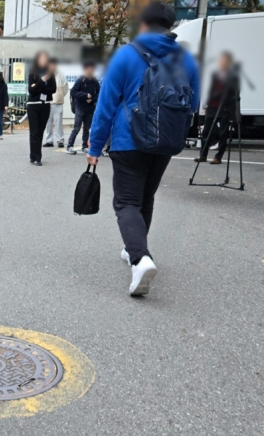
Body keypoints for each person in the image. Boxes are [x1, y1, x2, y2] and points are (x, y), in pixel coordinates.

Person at [87, 2, 199, 295]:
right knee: (145, 197)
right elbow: (194, 105)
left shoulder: (126, 55)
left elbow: (106, 105)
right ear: (171, 27)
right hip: (166, 141)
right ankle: (134, 248)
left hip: (129, 140)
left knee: (126, 202)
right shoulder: (187, 59)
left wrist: (95, 146)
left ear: (143, 25)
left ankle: (140, 258)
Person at [194, 51, 236, 165]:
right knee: (206, 132)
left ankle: (218, 157)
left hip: (224, 108)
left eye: (224, 61)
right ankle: (203, 155)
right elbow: (211, 90)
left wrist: (233, 112)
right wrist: (207, 104)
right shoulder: (215, 74)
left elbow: (235, 95)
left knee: (223, 134)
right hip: (213, 107)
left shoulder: (233, 76)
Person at [27, 51, 56, 166]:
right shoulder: (32, 73)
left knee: (40, 131)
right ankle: (36, 157)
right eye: (41, 58)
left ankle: (33, 155)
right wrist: (42, 81)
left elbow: (53, 89)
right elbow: (31, 91)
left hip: (45, 104)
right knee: (34, 132)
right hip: (33, 105)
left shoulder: (50, 74)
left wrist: (38, 86)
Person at [66, 61, 100, 155]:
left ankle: (85, 146)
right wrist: (85, 95)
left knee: (87, 128)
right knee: (76, 128)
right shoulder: (81, 80)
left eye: (93, 69)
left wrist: (92, 99)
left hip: (90, 108)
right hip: (80, 107)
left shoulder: (94, 81)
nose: (91, 70)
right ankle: (69, 146)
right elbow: (73, 92)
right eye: (89, 68)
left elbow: (99, 93)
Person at [43, 58, 69, 148]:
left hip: (58, 102)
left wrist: (61, 94)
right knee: (48, 122)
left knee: (58, 122)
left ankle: (60, 140)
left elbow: (65, 87)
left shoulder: (60, 75)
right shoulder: (46, 74)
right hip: (48, 102)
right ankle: (49, 140)